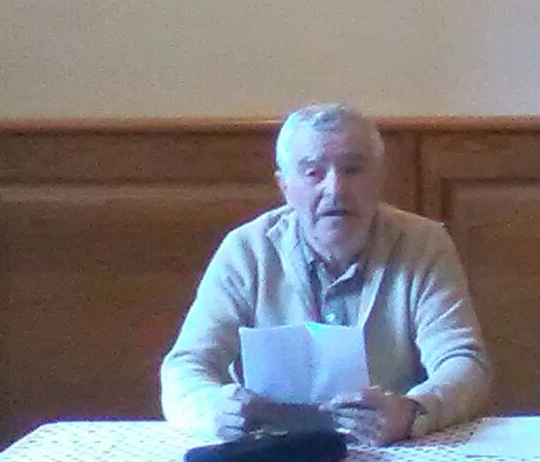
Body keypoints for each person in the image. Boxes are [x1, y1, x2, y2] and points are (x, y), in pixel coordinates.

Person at [161, 103, 491, 444]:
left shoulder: (423, 244)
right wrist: (212, 409)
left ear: (380, 179)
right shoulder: (246, 250)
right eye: (313, 173)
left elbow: (464, 363)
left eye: (353, 170)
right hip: (272, 454)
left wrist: (413, 411)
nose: (336, 189)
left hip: (394, 453)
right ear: (285, 187)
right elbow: (186, 365)